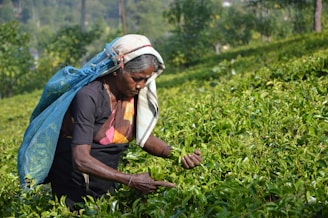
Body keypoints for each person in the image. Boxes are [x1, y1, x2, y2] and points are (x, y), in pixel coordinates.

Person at [46, 34, 202, 210]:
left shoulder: (132, 96)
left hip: (107, 179)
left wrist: (178, 156)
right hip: (73, 185)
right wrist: (130, 179)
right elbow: (80, 159)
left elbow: (144, 137)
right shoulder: (89, 96)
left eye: (145, 79)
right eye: (136, 78)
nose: (141, 86)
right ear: (117, 69)